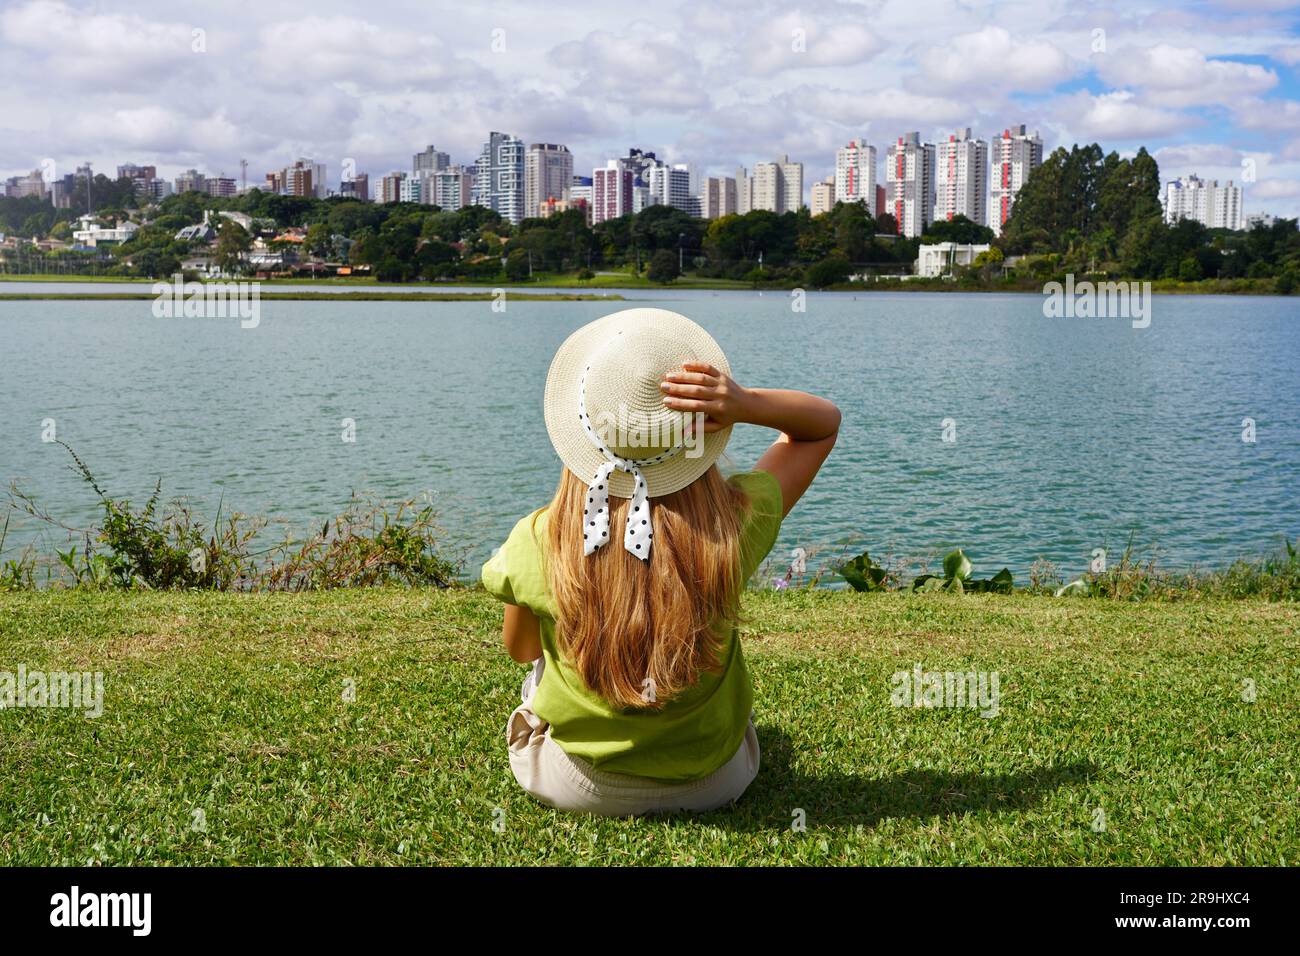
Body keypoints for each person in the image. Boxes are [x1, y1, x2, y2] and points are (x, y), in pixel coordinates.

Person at [482, 307, 840, 816]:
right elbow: (821, 426)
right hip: (716, 783)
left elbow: (520, 650)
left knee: (537, 675)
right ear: (698, 437)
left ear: (580, 438)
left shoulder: (537, 538)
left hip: (577, 787)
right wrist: (744, 403)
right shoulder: (734, 526)